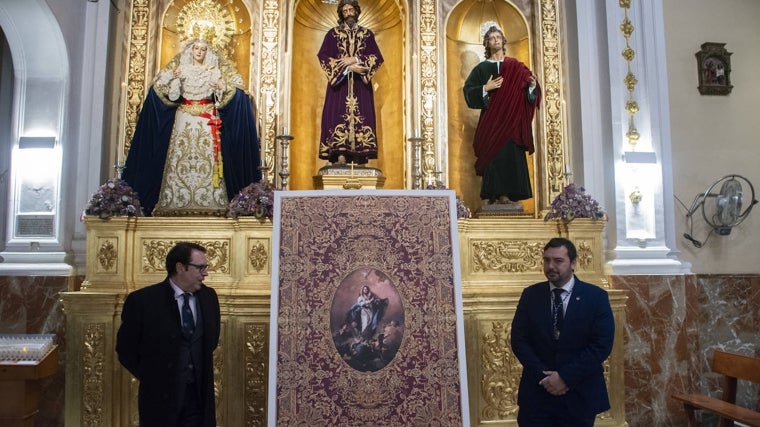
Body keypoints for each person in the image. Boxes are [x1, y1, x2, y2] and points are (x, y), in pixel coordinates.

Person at [122, 38, 261, 216]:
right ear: (191, 50)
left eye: (203, 49)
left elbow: (223, 94)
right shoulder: (180, 69)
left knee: (208, 157)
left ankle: (213, 202)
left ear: (207, 53)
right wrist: (174, 81)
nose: (199, 52)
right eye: (196, 48)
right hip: (184, 117)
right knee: (179, 156)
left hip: (206, 119)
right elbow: (171, 95)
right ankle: (174, 200)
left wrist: (220, 87)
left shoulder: (213, 71)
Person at [510, 237, 615, 426]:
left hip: (578, 394)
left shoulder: (596, 297)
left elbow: (601, 345)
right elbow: (519, 340)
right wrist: (545, 378)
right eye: (546, 260)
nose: (551, 266)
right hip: (537, 395)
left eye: (558, 261)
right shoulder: (530, 295)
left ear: (573, 263)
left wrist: (565, 377)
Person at [116, 242, 221, 427]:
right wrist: (154, 377)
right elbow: (126, 350)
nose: (205, 273)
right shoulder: (143, 301)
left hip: (198, 400)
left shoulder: (209, 297)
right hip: (159, 403)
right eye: (201, 267)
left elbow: (210, 341)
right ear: (180, 267)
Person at [463, 23, 541, 205]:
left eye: (498, 37)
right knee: (494, 157)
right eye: (492, 38)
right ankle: (494, 195)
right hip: (491, 122)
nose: (496, 40)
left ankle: (508, 195)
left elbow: (531, 92)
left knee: (510, 156)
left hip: (512, 123)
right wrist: (485, 88)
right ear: (487, 43)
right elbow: (468, 91)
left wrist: (531, 86)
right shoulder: (481, 69)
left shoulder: (516, 66)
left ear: (503, 41)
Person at [317, 0, 384, 165]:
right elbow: (324, 56)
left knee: (363, 117)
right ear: (341, 14)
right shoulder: (332, 34)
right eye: (345, 11)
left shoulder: (367, 34)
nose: (348, 13)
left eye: (350, 10)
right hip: (340, 87)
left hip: (361, 87)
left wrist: (354, 60)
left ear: (356, 11)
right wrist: (348, 69)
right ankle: (340, 155)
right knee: (337, 117)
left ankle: (360, 156)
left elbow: (377, 57)